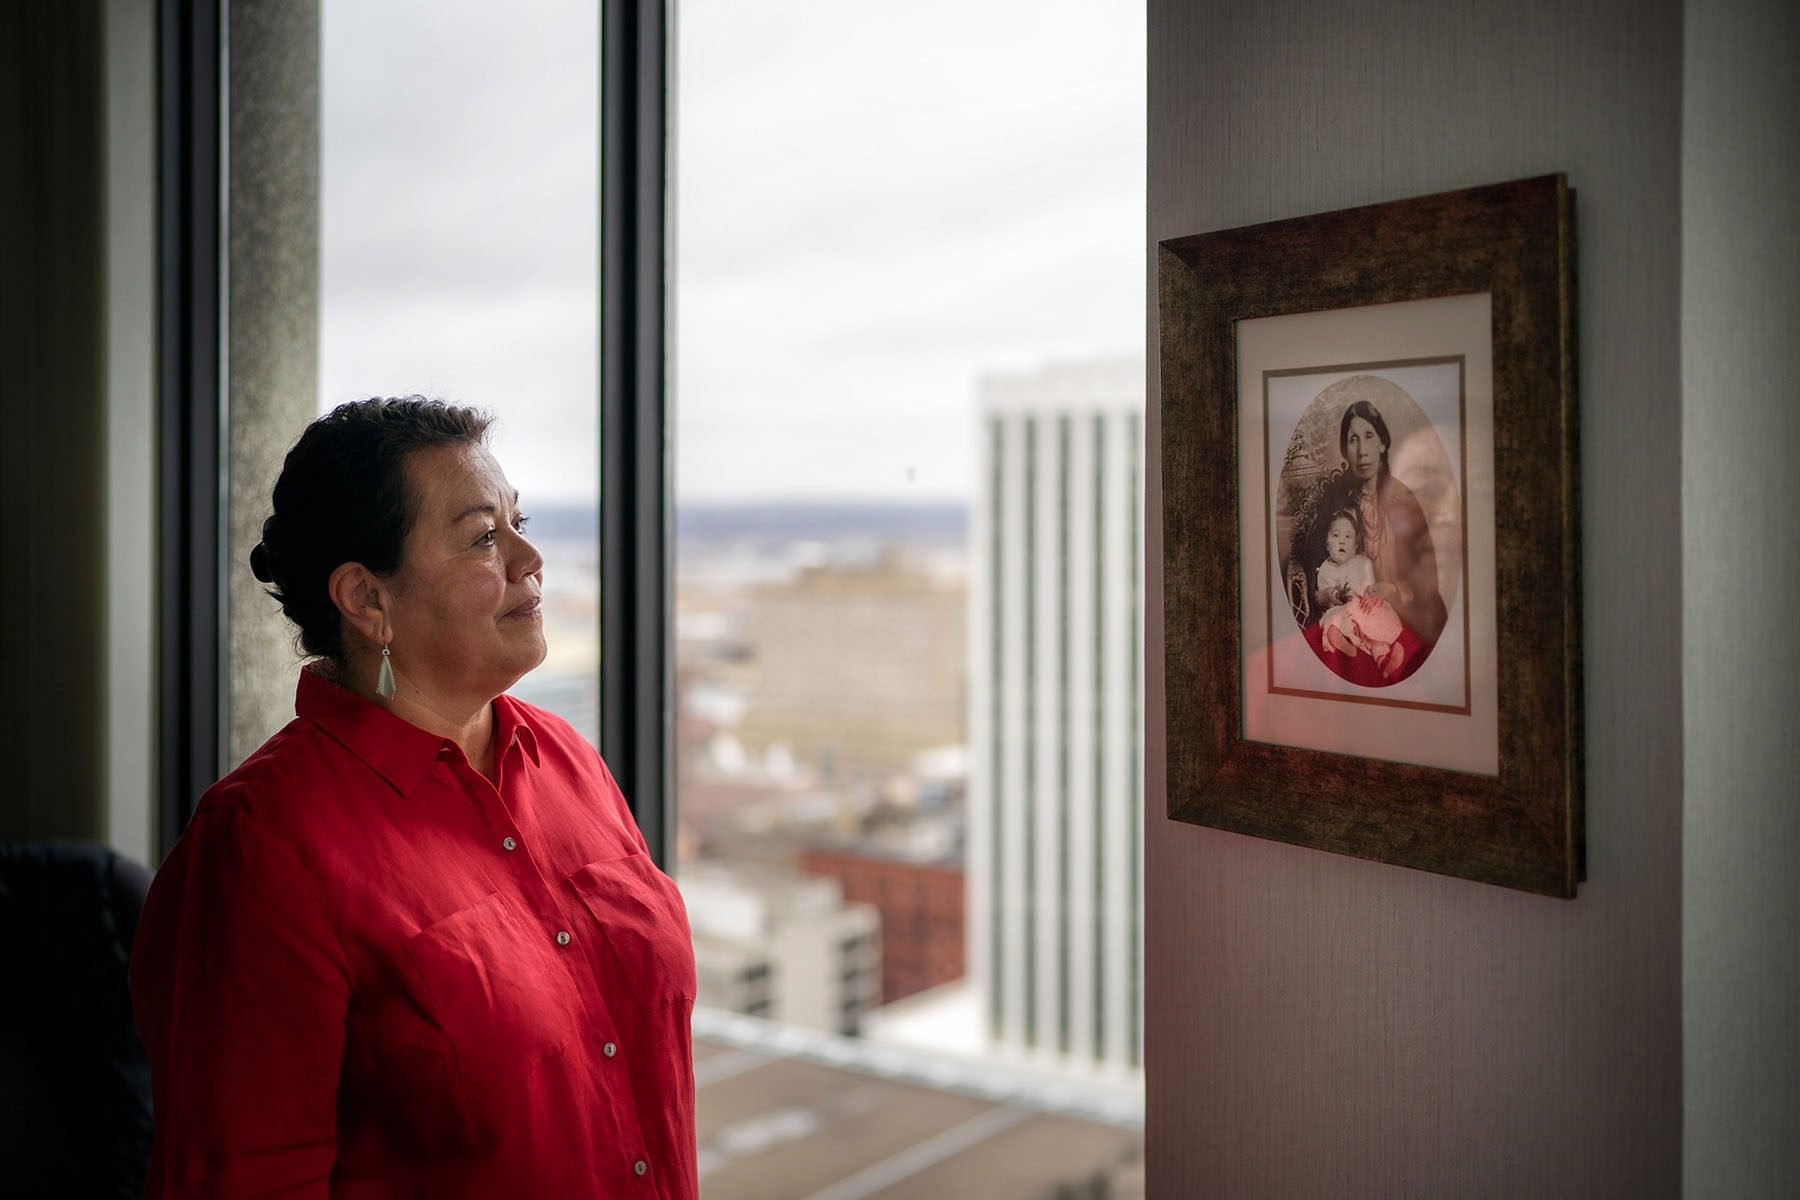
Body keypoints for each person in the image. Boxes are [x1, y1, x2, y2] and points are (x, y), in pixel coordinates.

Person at [130, 397, 697, 1198]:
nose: (530, 558)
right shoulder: (261, 845)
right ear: (367, 600)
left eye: (519, 522)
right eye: (483, 537)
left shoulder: (568, 760)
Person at [1325, 399, 1448, 650]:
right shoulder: (1338, 502)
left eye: (1369, 436)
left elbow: (1426, 579)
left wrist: (1390, 588)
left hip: (1406, 613)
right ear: (1345, 450)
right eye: (1353, 439)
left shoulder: (1403, 499)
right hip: (1356, 614)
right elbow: (1321, 561)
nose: (1362, 451)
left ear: (1382, 443)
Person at [1314, 509, 1406, 678]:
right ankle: (1347, 646)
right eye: (1335, 536)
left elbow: (1370, 590)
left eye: (1348, 537)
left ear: (1356, 544)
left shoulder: (1363, 563)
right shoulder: (1325, 569)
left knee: (1372, 625)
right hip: (1341, 612)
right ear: (1327, 544)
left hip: (1361, 608)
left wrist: (1370, 599)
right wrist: (1333, 595)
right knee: (1333, 621)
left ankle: (1383, 660)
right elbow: (1324, 599)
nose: (1341, 541)